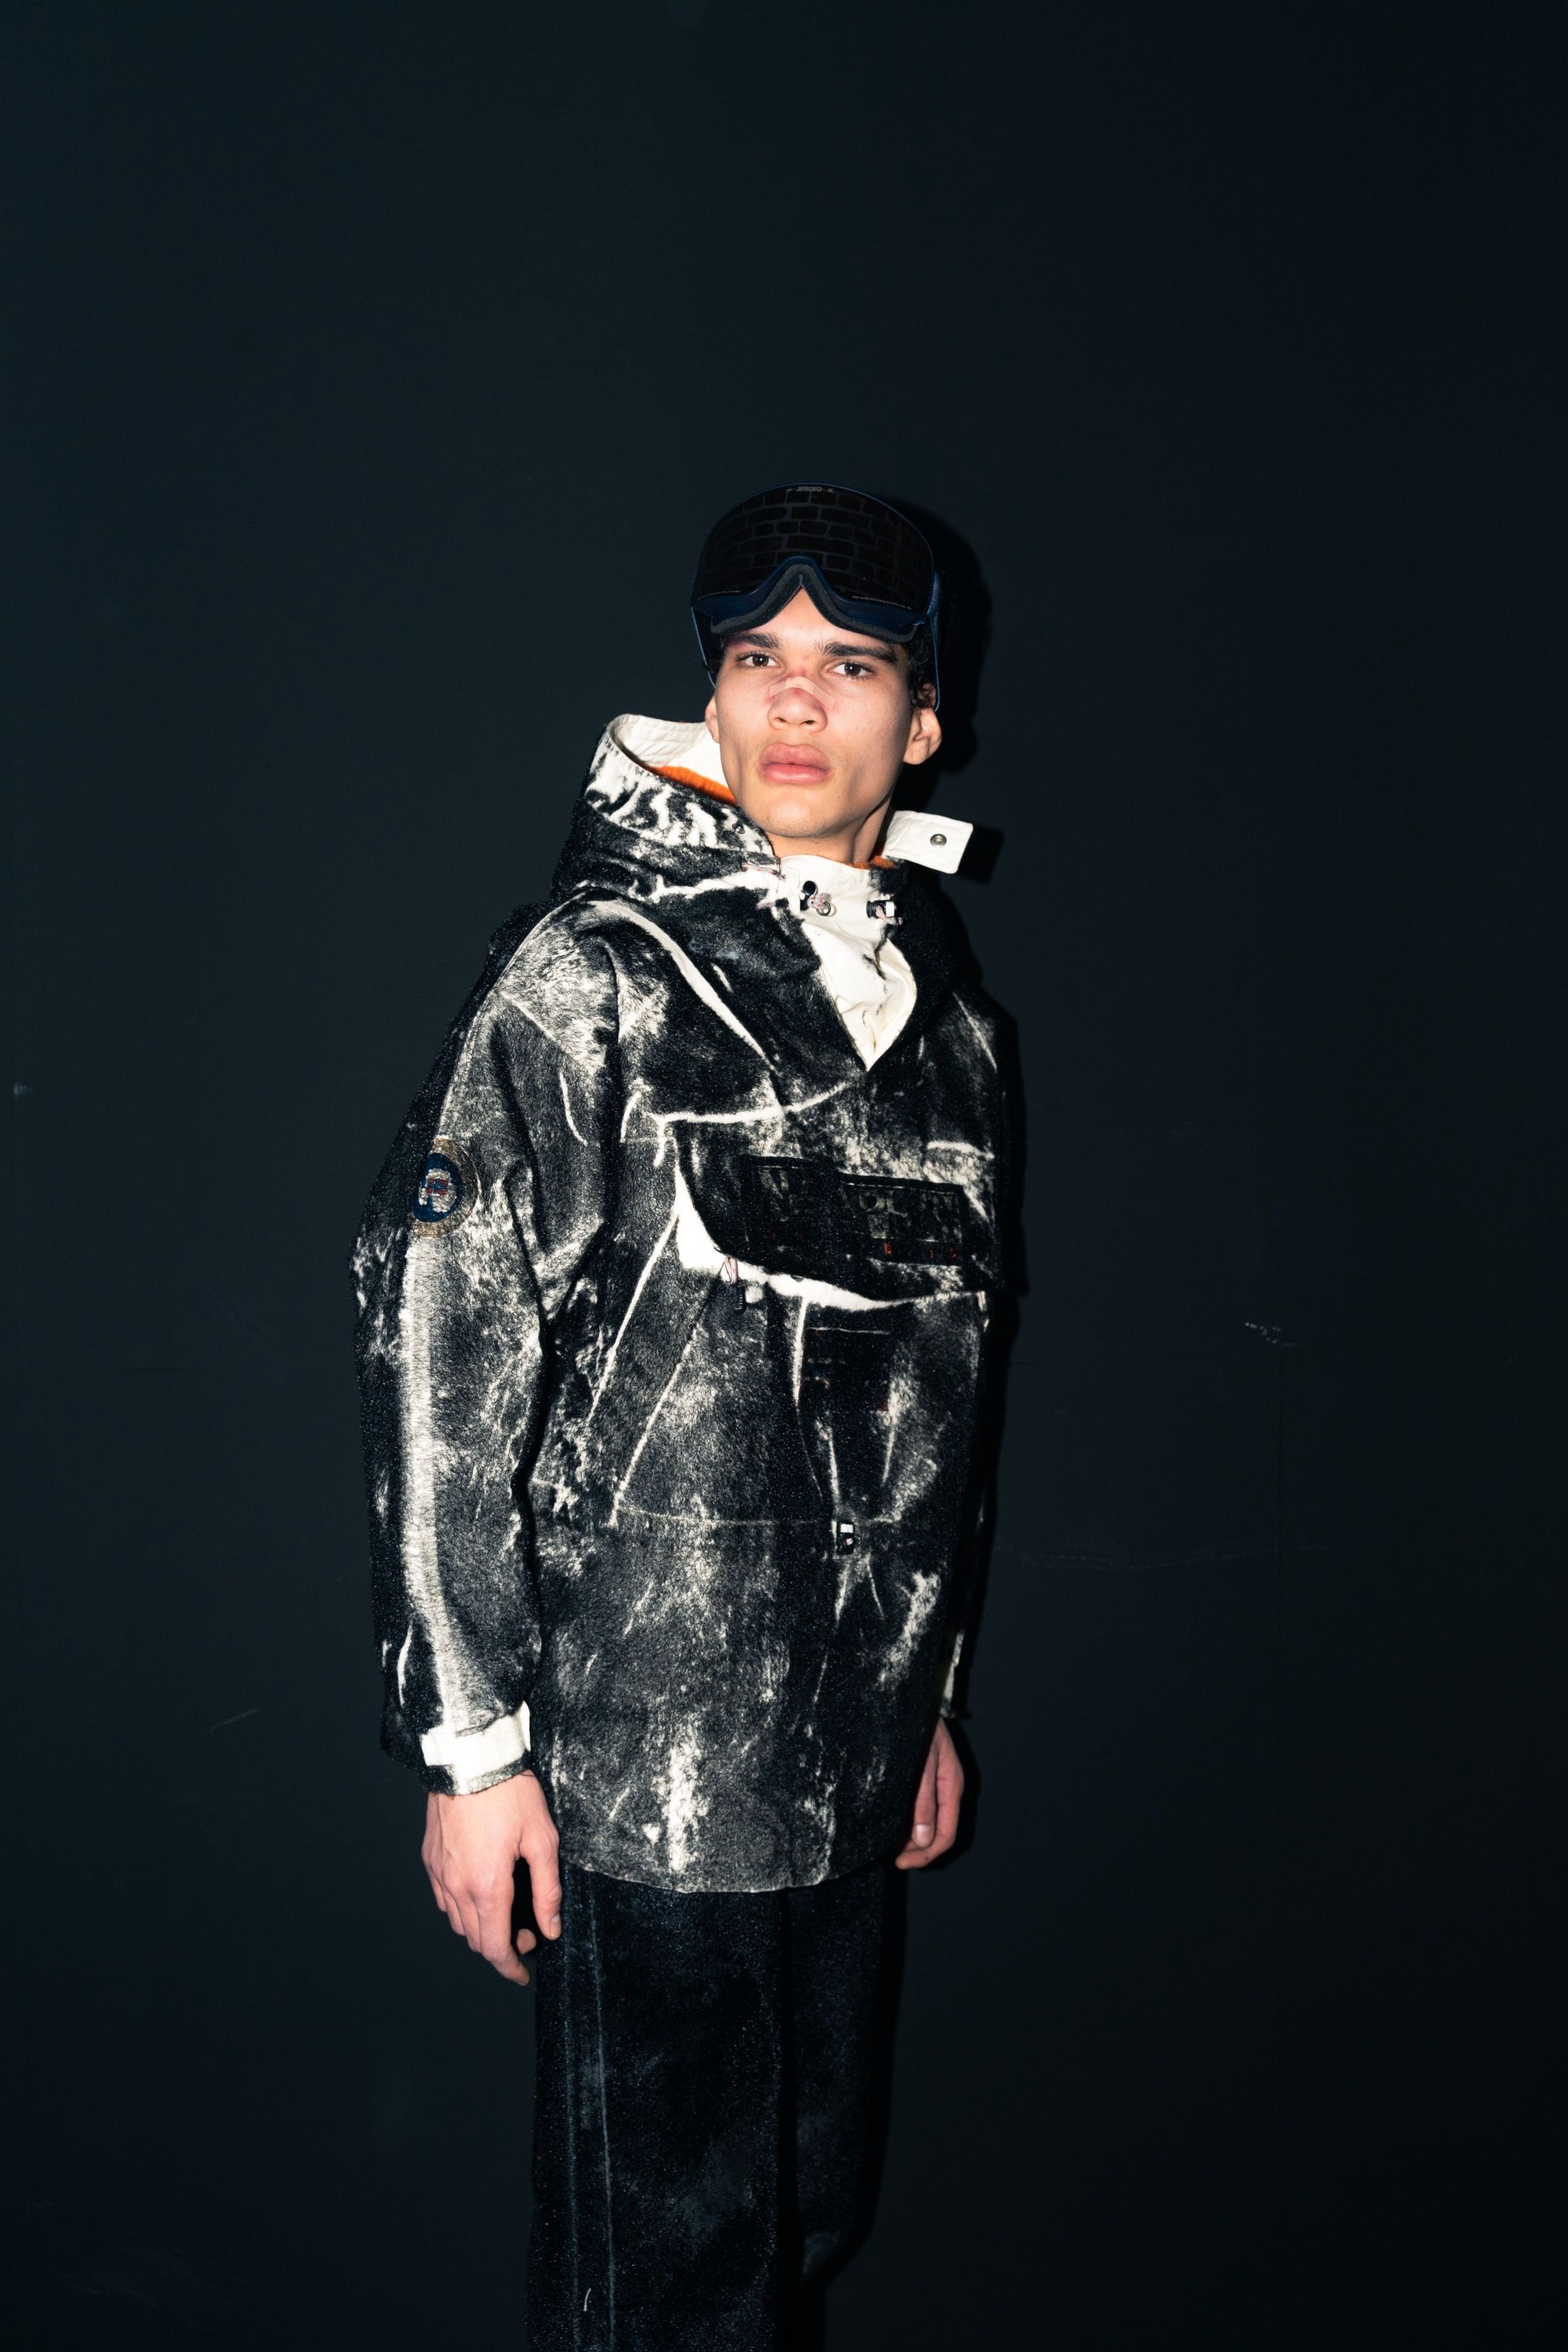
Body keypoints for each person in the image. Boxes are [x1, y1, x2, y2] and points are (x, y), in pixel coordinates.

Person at [353, 484, 1007, 2348]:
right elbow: (437, 1339)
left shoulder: (949, 1037)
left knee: (806, 2222)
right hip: (643, 1771)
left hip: (844, 1758)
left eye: (851, 665)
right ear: (708, 698)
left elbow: (942, 1398)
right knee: (664, 2285)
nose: (795, 701)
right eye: (756, 659)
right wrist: (474, 1752)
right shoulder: (598, 972)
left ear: (922, 723)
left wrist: (924, 1692)